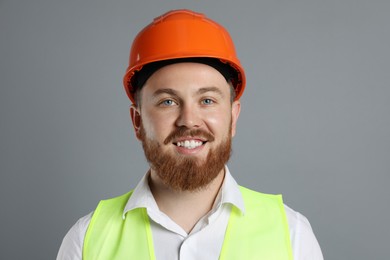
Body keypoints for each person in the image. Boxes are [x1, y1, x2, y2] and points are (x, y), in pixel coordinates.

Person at [57, 9, 323, 260]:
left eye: (207, 100)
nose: (188, 120)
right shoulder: (86, 241)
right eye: (168, 102)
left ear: (233, 117)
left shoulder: (292, 235)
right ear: (137, 121)